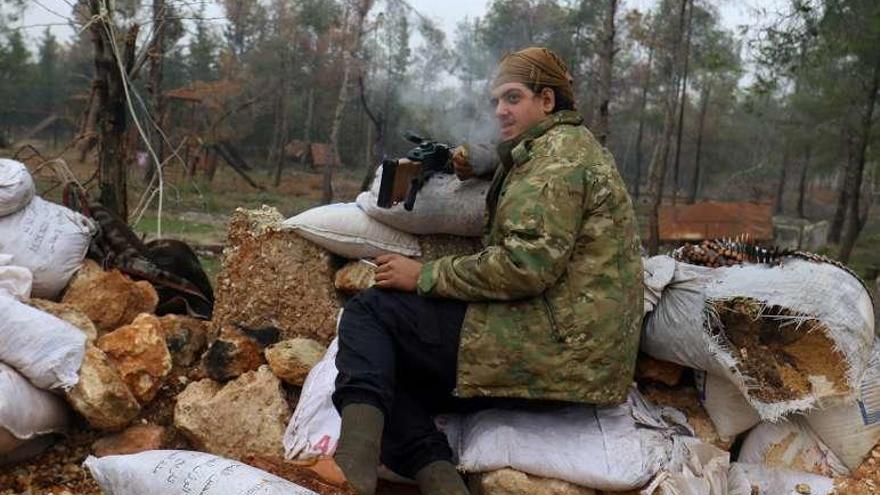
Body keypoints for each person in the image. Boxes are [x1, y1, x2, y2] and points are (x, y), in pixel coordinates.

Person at [332, 47, 643, 495]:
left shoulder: (554, 165)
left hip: (553, 353)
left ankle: (350, 467)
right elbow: (528, 172)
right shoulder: (567, 148)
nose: (500, 110)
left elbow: (524, 266)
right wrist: (490, 159)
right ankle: (440, 480)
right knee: (388, 364)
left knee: (369, 314)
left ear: (548, 101)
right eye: (497, 100)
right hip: (577, 354)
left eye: (513, 98)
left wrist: (423, 274)